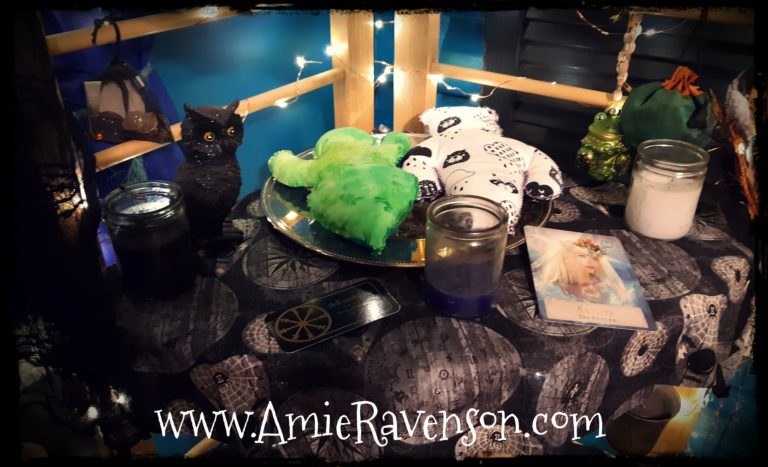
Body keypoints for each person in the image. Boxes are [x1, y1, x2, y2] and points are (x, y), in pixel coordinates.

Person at [532, 236, 633, 305]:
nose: (590, 261)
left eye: (595, 258)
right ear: (566, 259)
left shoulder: (608, 288)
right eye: (582, 256)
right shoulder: (551, 289)